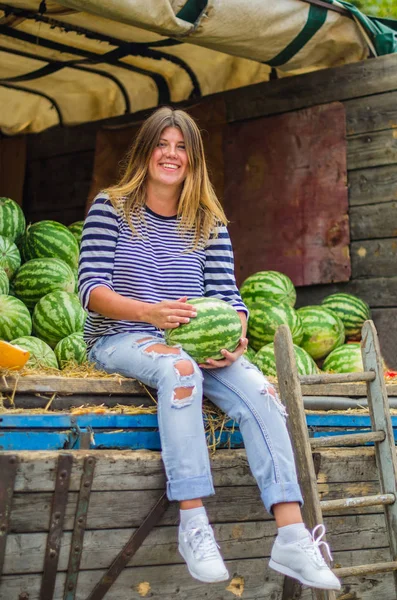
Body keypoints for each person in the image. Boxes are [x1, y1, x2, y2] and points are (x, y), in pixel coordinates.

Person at [78, 106, 341, 591]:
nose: (171, 155)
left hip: (192, 338)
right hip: (121, 336)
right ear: (145, 150)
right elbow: (91, 288)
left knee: (261, 391)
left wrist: (236, 336)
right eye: (162, 144)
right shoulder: (110, 206)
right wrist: (149, 313)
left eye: (182, 147)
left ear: (193, 159)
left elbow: (228, 295)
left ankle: (291, 534)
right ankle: (194, 523)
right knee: (181, 371)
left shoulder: (208, 220)